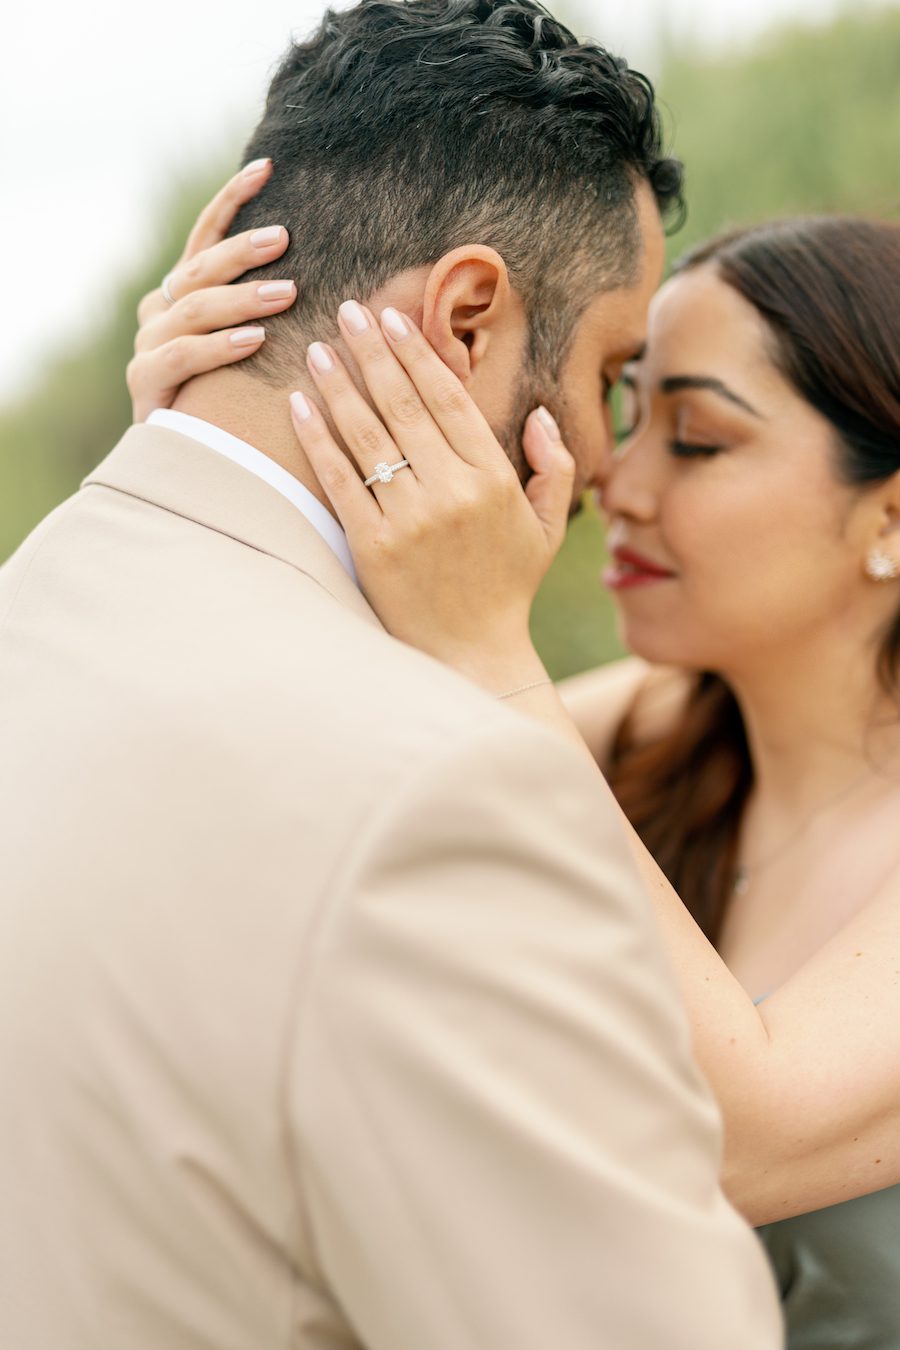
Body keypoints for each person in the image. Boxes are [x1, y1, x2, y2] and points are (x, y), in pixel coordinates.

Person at [0, 3, 781, 1348]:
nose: (607, 465)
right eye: (613, 375)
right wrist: (487, 669)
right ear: (470, 319)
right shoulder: (442, 793)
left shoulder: (49, 611)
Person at [145, 201, 900, 1345]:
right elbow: (243, 776)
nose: (614, 481)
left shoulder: (541, 727)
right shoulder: (634, 745)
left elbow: (736, 1144)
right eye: (625, 412)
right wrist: (199, 439)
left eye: (695, 440)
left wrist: (489, 645)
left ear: (890, 512)